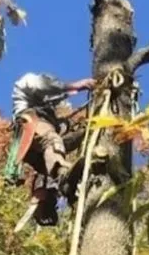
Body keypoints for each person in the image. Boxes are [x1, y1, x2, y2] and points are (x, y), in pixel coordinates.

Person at [10, 73, 94, 226]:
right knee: (52, 141)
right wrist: (75, 85)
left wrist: (85, 130)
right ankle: (63, 174)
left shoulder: (48, 114)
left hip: (37, 151)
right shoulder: (27, 81)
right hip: (30, 125)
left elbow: (66, 141)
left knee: (47, 170)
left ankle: (46, 201)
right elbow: (43, 85)